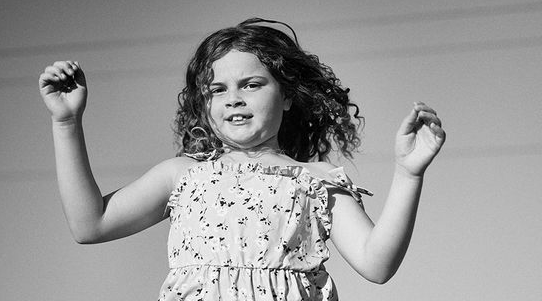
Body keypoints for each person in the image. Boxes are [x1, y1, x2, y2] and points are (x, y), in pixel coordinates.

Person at [38, 18, 446, 301]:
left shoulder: (316, 181)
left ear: (287, 96)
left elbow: (377, 264)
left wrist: (408, 173)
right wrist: (67, 122)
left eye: (251, 84)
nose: (233, 97)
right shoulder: (185, 175)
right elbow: (89, 224)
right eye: (217, 89)